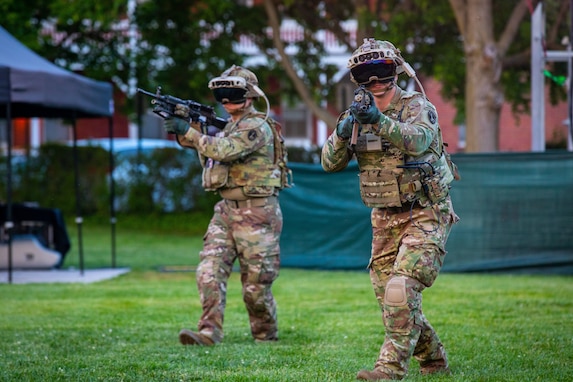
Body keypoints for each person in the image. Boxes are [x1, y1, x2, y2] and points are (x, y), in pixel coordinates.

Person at [321, 38, 459, 380]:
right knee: (392, 302)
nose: (376, 81)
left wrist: (379, 121)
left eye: (381, 70)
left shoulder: (417, 105)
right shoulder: (354, 116)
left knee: (400, 291)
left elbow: (419, 140)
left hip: (426, 211)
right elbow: (328, 163)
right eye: (365, 73)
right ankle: (434, 357)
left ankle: (388, 370)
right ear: (357, 79)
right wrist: (341, 132)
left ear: (395, 70)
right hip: (384, 219)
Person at [163, 65, 291, 346]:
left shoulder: (257, 126)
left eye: (233, 95)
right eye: (223, 96)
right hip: (226, 210)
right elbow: (203, 146)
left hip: (257, 211)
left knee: (256, 287)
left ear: (250, 96)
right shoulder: (227, 127)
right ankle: (208, 332)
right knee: (208, 271)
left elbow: (224, 150)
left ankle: (265, 335)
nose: (227, 102)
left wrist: (192, 132)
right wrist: (186, 127)